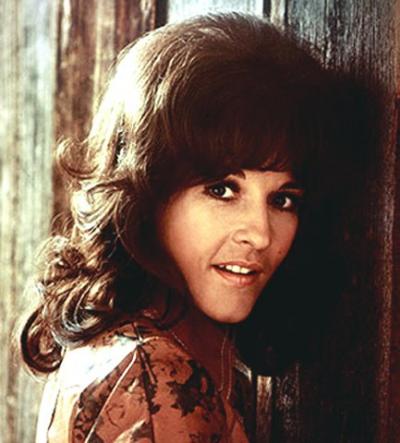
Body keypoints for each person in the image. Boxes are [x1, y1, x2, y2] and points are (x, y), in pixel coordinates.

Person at [19, 12, 372, 443]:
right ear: (149, 190)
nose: (260, 234)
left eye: (282, 200)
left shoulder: (128, 347)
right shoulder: (155, 379)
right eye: (222, 190)